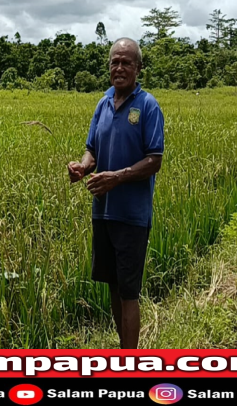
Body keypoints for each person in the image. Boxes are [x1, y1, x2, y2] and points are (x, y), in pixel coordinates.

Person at [67, 37, 164, 349]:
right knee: (112, 284)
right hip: (103, 212)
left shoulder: (147, 106)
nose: (119, 68)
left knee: (129, 292)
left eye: (126, 62)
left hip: (131, 216)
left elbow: (154, 160)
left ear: (138, 68)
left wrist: (117, 178)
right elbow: (92, 149)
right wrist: (82, 168)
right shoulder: (103, 103)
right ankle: (124, 353)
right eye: (115, 62)